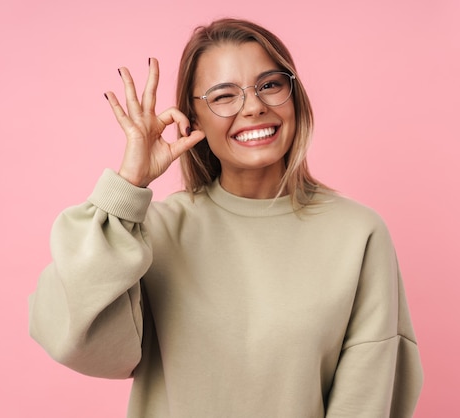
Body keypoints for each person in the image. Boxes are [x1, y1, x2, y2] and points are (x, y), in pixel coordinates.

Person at [28, 18, 423, 417]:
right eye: (223, 95)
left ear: (294, 96)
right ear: (192, 120)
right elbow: (71, 335)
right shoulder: (153, 234)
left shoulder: (358, 235)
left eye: (270, 84)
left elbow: (367, 397)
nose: (253, 107)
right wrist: (128, 185)